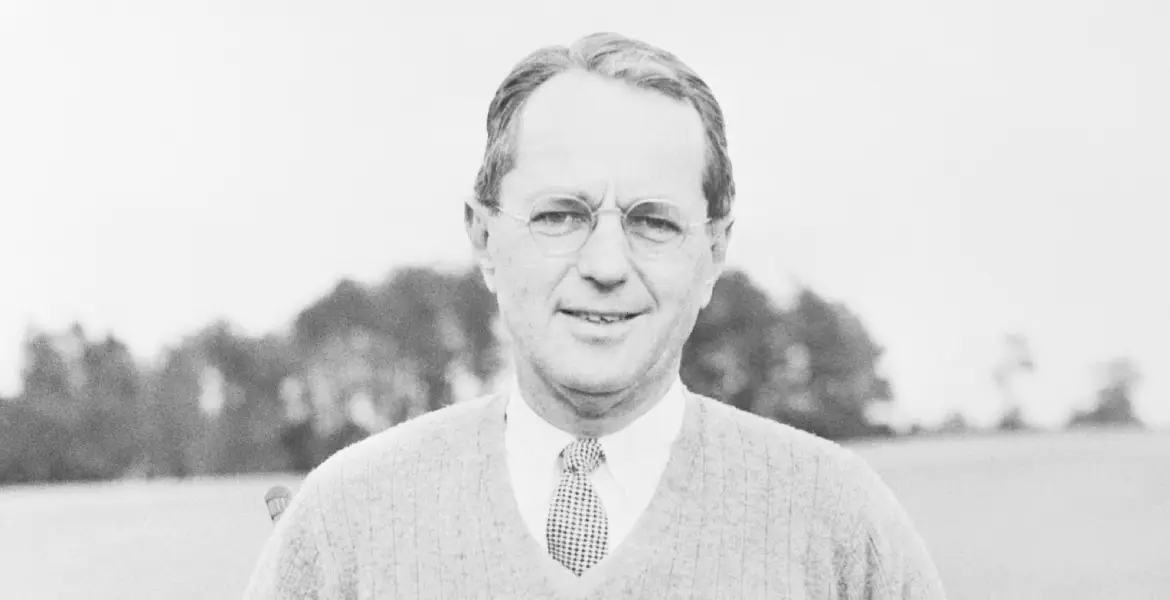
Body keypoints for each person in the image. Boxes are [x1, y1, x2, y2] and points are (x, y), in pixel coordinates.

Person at [243, 32, 947, 599]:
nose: (607, 265)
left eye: (654, 222)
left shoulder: (840, 526)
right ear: (484, 238)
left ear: (713, 251)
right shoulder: (344, 525)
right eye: (560, 215)